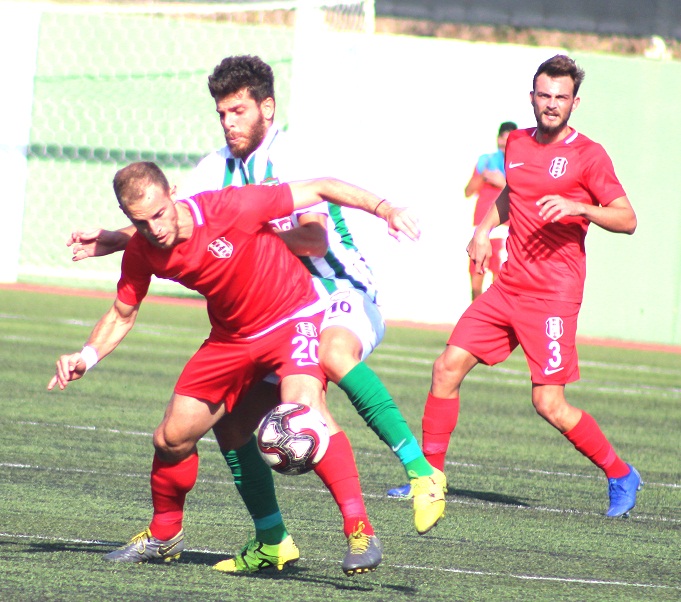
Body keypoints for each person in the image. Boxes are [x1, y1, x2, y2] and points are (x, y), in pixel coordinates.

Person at [67, 54, 447, 574]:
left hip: (303, 308)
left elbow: (317, 204)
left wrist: (386, 210)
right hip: (231, 337)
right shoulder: (192, 192)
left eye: (238, 110)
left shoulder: (241, 199)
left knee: (304, 410)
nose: (229, 121)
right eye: (222, 112)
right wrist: (88, 348)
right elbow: (126, 303)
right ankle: (205, 537)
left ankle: (375, 516)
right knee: (180, 435)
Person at [387, 55, 641, 518]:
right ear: (532, 98)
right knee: (445, 368)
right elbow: (512, 195)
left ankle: (621, 473)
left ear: (574, 102)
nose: (551, 104)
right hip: (507, 287)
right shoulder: (518, 143)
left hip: (553, 295)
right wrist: (483, 231)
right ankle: (428, 480)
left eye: (561, 97)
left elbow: (627, 219)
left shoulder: (589, 155)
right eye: (544, 95)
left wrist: (579, 208)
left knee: (548, 403)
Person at [463, 121, 517, 299]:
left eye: (508, 139)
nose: (504, 143)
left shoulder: (516, 166)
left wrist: (502, 182)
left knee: (498, 281)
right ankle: (477, 322)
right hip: (480, 228)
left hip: (503, 229)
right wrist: (484, 175)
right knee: (475, 282)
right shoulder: (486, 160)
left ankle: (495, 325)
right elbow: (468, 191)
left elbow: (520, 195)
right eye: (502, 138)